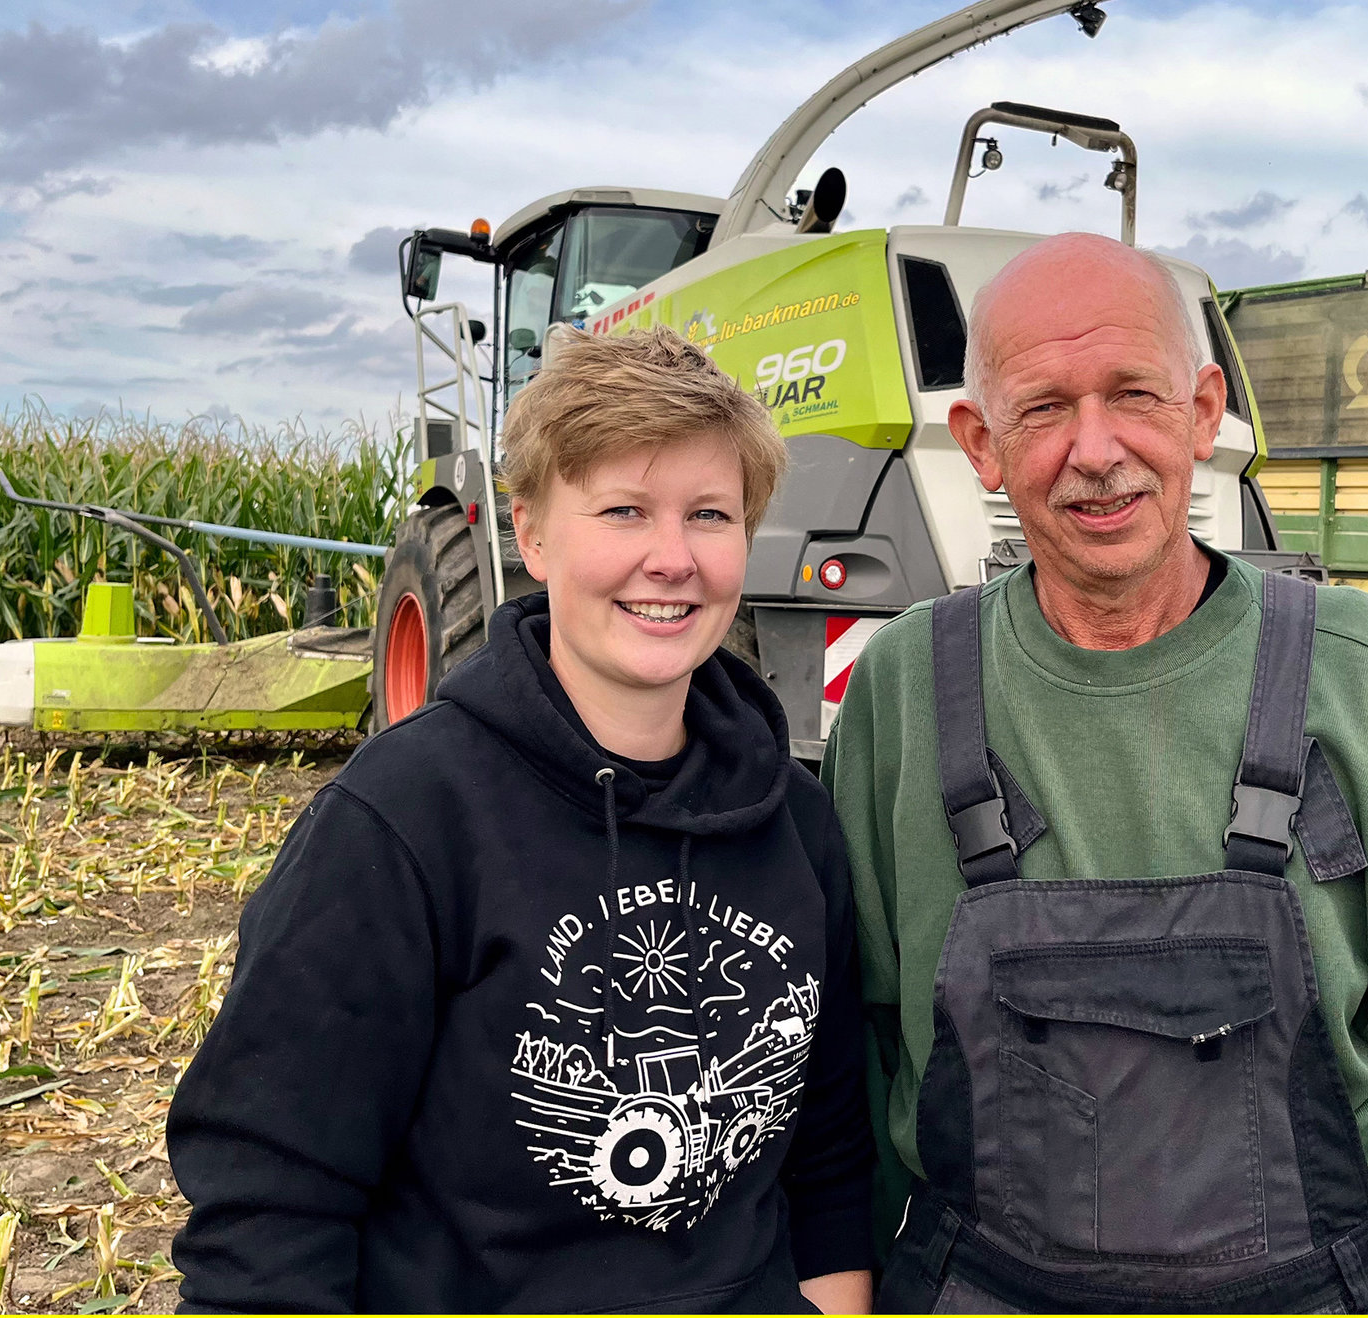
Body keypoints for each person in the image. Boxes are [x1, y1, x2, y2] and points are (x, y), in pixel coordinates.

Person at [822, 233, 1368, 1314]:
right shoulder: (904, 686)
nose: (1095, 450)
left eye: (1132, 395)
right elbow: (844, 1079)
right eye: (1043, 409)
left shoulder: (1360, 674)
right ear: (980, 445)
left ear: (1200, 412)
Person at [168, 327, 874, 1313]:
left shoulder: (795, 821)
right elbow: (269, 1212)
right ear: (532, 534)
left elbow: (828, 1160)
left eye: (709, 515)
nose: (671, 559)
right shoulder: (402, 819)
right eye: (623, 510)